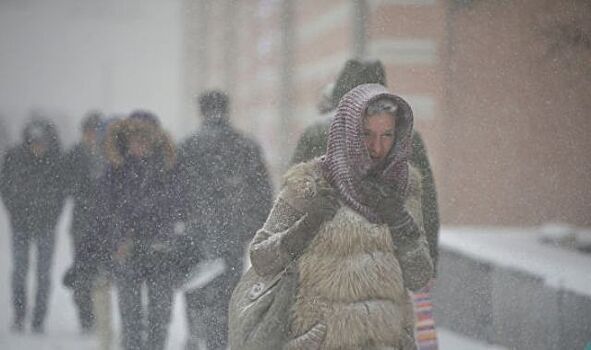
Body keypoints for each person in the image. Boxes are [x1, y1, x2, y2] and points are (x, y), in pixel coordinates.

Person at [242, 83, 433, 349]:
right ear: (348, 131)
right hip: (320, 342)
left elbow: (420, 276)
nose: (376, 146)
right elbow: (261, 258)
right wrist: (305, 228)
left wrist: (401, 222)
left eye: (387, 135)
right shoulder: (309, 184)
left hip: (384, 341)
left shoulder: (404, 188)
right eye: (366, 133)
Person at [291, 59, 440, 349]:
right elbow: (426, 204)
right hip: (386, 274)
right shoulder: (404, 135)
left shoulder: (315, 132)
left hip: (323, 281)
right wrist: (428, 257)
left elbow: (294, 199)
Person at [178, 90, 273, 350]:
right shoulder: (246, 145)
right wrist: (253, 227)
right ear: (226, 110)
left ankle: (195, 337)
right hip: (233, 234)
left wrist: (184, 224)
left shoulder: (187, 146)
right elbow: (262, 191)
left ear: (202, 111)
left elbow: (175, 193)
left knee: (196, 291)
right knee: (227, 296)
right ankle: (220, 343)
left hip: (196, 234)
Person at [98, 111, 180, 350]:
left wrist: (168, 233)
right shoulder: (115, 169)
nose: (139, 143)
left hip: (161, 250)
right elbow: (103, 211)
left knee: (160, 318)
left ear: (154, 139)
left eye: (144, 138)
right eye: (134, 138)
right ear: (126, 138)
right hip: (126, 251)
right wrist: (114, 241)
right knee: (130, 318)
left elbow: (181, 204)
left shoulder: (169, 166)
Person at [0, 118, 67, 333]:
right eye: (34, 142)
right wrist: (14, 212)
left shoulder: (56, 161)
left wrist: (52, 217)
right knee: (20, 272)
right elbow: (5, 187)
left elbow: (61, 193)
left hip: (46, 225)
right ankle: (20, 316)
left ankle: (39, 319)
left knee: (43, 274)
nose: (38, 146)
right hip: (20, 224)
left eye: (42, 142)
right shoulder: (15, 158)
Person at [62, 111, 104, 333]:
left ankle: (99, 316)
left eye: (96, 131)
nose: (92, 136)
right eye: (89, 131)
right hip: (81, 224)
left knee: (100, 273)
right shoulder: (74, 155)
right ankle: (85, 317)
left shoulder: (109, 155)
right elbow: (66, 185)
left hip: (103, 225)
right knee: (82, 272)